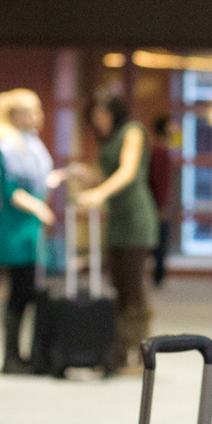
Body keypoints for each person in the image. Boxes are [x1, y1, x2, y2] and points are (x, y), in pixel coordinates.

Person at [74, 92, 158, 373]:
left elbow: (128, 171)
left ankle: (140, 353)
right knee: (118, 287)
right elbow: (109, 174)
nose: (98, 122)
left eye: (102, 115)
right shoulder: (107, 138)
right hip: (117, 219)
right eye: (94, 117)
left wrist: (99, 192)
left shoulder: (132, 131)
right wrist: (90, 177)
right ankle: (118, 353)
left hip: (136, 217)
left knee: (134, 289)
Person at [0, 89, 59, 373]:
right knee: (19, 294)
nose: (38, 116)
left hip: (33, 231)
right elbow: (12, 191)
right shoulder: (7, 146)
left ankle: (26, 353)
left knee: (31, 293)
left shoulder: (34, 145)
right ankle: (10, 357)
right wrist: (39, 208)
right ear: (15, 115)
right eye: (32, 110)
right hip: (15, 230)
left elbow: (42, 183)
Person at [148, 114, 175, 286]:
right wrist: (161, 206)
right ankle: (158, 276)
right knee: (159, 241)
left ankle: (159, 275)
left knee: (160, 241)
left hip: (160, 204)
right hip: (158, 205)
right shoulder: (159, 151)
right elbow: (158, 181)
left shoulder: (162, 149)